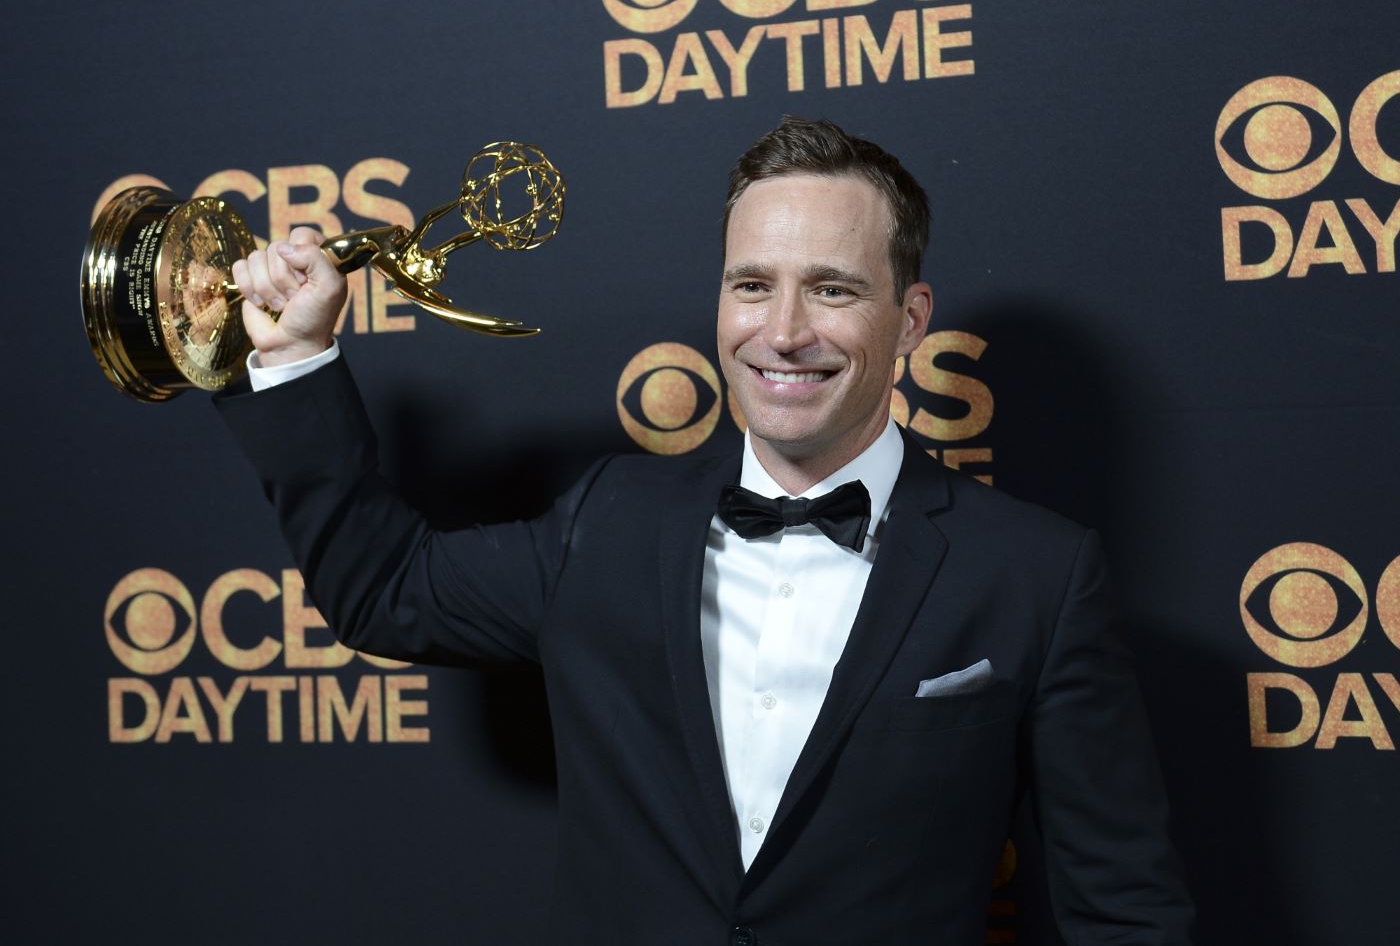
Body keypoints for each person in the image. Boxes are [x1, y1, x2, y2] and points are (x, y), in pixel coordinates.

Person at [216, 117, 1194, 944]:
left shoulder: (1035, 575)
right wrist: (299, 358)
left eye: (833, 288)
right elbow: (384, 589)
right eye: (750, 284)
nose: (781, 330)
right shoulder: (607, 520)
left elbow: (1124, 909)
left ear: (908, 319)